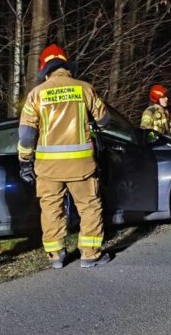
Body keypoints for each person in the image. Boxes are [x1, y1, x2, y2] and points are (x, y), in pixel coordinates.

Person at [17, 44, 112, 268]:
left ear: (45, 69)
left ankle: (56, 256)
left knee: (51, 209)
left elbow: (27, 134)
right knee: (89, 206)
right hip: (81, 166)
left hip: (48, 169)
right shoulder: (84, 89)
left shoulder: (35, 95)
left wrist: (24, 161)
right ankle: (89, 254)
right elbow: (105, 120)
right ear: (66, 65)